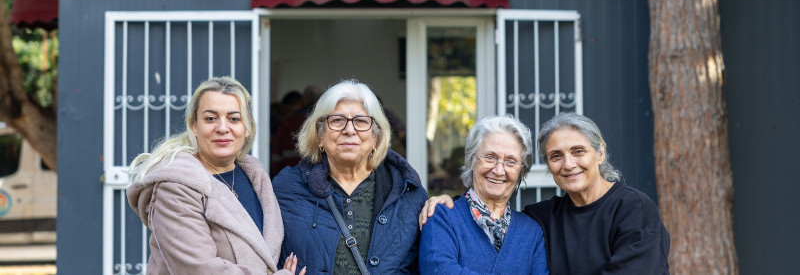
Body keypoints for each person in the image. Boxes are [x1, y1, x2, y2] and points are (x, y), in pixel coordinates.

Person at [420, 112, 670, 274]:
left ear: (600, 153)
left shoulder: (634, 209)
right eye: (556, 156)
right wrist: (446, 204)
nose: (569, 164)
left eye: (578, 151)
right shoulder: (543, 218)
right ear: (472, 161)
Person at [126, 76, 305, 275]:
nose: (222, 128)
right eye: (210, 118)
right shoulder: (175, 186)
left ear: (246, 129)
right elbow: (198, 268)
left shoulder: (256, 177)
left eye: (234, 119)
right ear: (194, 126)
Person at [273, 79, 428, 274]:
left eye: (361, 121)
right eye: (337, 120)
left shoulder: (408, 193)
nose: (349, 130)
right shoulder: (286, 189)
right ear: (320, 136)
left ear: (375, 138)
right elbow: (262, 257)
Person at [419, 115, 548, 274]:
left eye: (511, 161)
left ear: (521, 170)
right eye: (490, 157)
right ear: (472, 160)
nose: (499, 170)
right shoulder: (441, 217)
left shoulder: (531, 232)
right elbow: (438, 270)